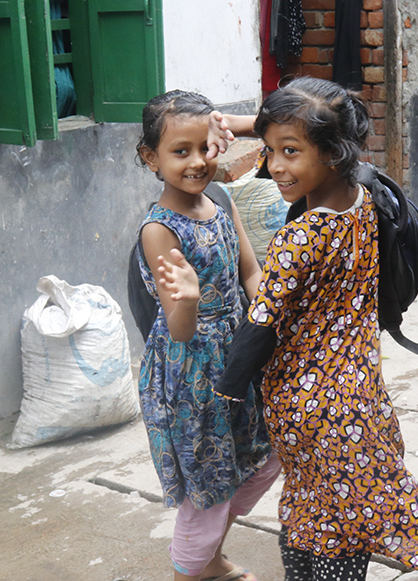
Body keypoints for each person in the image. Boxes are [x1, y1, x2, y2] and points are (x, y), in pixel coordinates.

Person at [207, 77, 418, 579]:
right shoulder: (366, 196)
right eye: (269, 150)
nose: (274, 166)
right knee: (331, 510)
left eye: (289, 152)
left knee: (323, 518)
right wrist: (246, 123)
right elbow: (315, 129)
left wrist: (226, 392)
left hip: (310, 407)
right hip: (357, 392)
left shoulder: (304, 233)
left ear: (334, 152)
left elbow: (262, 319)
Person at [134, 90, 280, 581]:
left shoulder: (219, 198)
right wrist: (190, 300)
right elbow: (178, 330)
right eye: (180, 151)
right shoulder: (159, 230)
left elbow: (251, 271)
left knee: (257, 461)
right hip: (192, 378)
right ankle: (188, 571)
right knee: (209, 486)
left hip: (236, 359)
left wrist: (270, 317)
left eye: (204, 148)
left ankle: (211, 560)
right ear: (150, 158)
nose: (196, 162)